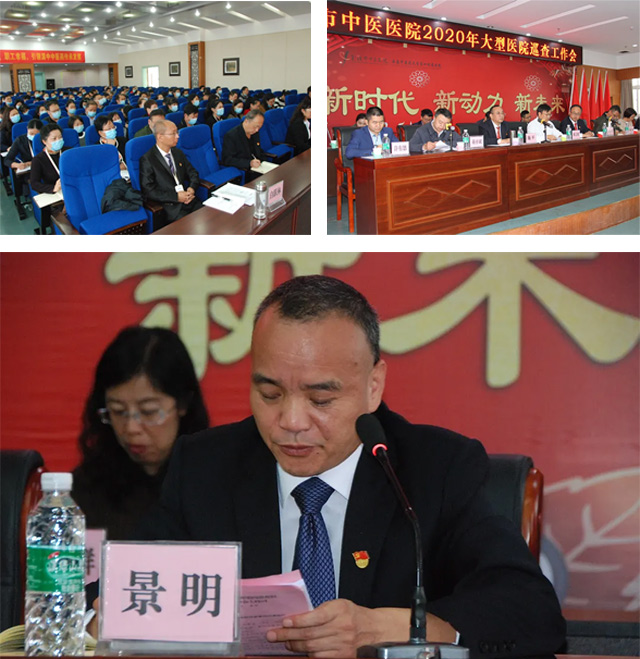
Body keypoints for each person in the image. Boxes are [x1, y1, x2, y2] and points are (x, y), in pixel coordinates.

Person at [94, 275, 566, 658]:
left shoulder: (435, 468)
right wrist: (105, 616)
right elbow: (118, 590)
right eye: (269, 394)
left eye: (320, 399)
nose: (290, 422)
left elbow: (530, 610)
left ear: (373, 386)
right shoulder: (206, 466)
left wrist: (404, 631)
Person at [71, 326, 209, 540]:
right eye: (118, 411)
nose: (131, 428)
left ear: (183, 404)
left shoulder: (212, 481)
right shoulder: (85, 489)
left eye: (148, 411)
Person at [139, 119, 202, 227]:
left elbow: (193, 173)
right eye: (173, 133)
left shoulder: (177, 152)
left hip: (189, 200)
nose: (177, 136)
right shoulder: (148, 159)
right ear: (160, 137)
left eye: (177, 132)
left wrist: (192, 188)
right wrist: (176, 197)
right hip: (171, 208)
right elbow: (148, 190)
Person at [221, 109, 268, 181]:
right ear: (246, 121)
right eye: (255, 127)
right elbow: (227, 159)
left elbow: (257, 150)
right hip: (243, 170)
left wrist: (265, 162)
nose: (257, 130)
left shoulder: (254, 132)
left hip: (257, 168)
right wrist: (249, 163)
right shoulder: (232, 136)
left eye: (259, 127)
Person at [30, 122, 68, 195]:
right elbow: (34, 184)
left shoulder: (69, 152)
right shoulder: (38, 160)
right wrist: (53, 188)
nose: (58, 140)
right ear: (44, 141)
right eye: (54, 139)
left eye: (60, 137)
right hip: (56, 193)